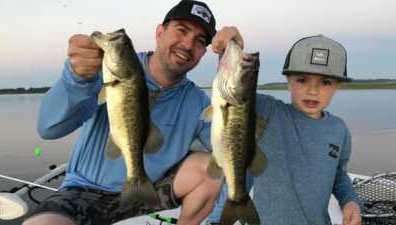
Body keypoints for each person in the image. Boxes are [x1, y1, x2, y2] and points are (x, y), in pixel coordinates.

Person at [23, 1, 244, 225]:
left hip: (150, 188)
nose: (187, 44)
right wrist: (77, 77)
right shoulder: (107, 72)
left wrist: (231, 61)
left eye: (199, 41)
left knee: (210, 166)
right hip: (86, 191)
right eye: (181, 30)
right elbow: (49, 128)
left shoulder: (198, 102)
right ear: (160, 33)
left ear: (204, 52)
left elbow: (230, 154)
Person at [206, 35, 363, 225]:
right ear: (288, 80)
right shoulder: (269, 111)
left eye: (325, 82)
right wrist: (229, 46)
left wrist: (351, 201)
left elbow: (338, 174)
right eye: (303, 80)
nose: (313, 90)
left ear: (338, 85)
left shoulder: (339, 129)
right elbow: (234, 91)